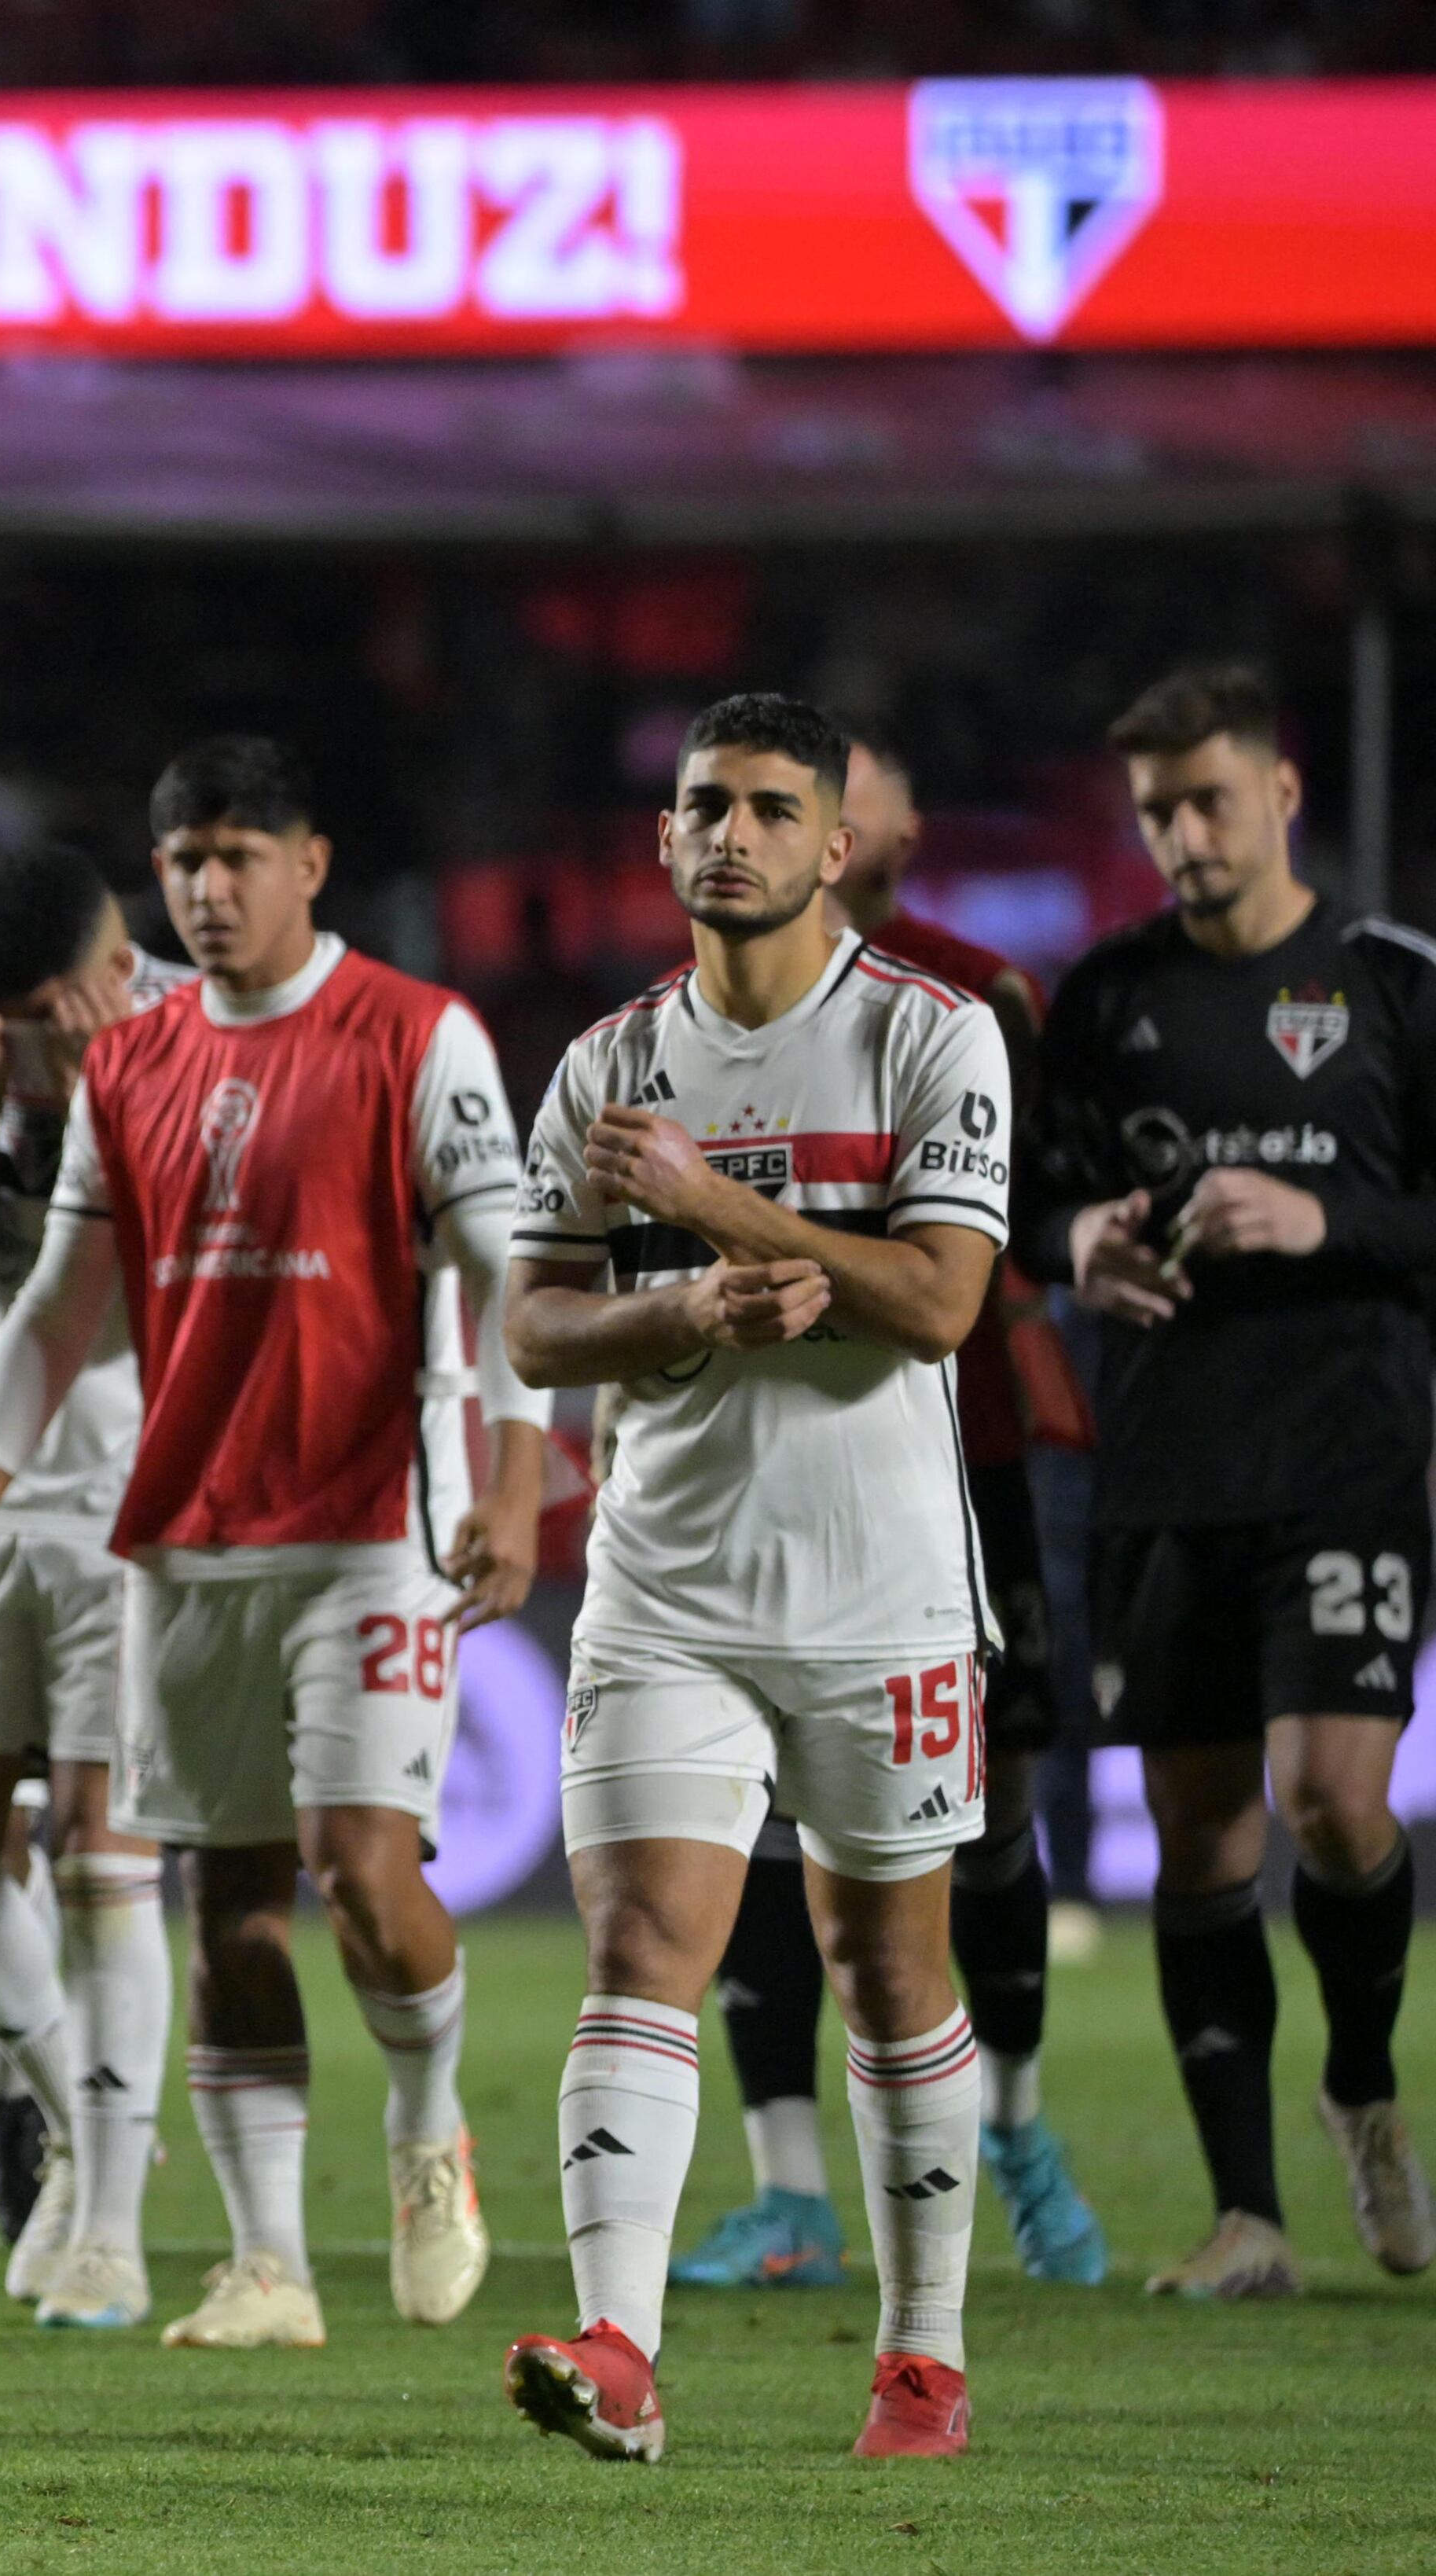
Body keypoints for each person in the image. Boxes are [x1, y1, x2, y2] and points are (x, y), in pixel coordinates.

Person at [0, 737, 545, 2356]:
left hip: (366, 1527)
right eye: (184, 859)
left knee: (358, 1865)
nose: (208, 888)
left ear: (310, 863)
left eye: (238, 856)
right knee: (226, 1907)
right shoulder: (129, 1068)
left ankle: (426, 2122)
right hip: (185, 1534)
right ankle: (266, 2262)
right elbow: (56, 1308)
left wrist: (515, 1472)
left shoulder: (416, 1035)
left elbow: (511, 1270)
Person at [499, 690, 1008, 2464]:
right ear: (662, 841)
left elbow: (943, 1301)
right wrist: (678, 1302)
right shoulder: (603, 1066)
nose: (731, 835)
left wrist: (733, 1218)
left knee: (884, 1968)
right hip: (665, 1589)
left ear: (835, 842)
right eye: (703, 806)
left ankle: (920, 2359)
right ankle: (621, 2354)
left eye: (771, 809)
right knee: (641, 1947)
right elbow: (539, 1322)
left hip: (882, 1592)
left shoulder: (931, 1038)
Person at [1021, 661, 1436, 2297]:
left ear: (1280, 794)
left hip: (1344, 1449)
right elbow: (1030, 1201)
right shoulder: (1107, 995)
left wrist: (1324, 1221)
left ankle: (1359, 2077)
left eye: (1207, 801)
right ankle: (1248, 2217)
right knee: (1195, 1841)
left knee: (1332, 1797)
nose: (1181, 837)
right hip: (1168, 1461)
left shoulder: (1392, 982)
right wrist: (1081, 1250)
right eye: (1154, 813)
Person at [674, 735, 1109, 2293]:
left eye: (816, 799)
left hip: (954, 1467)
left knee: (979, 1823)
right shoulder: (682, 1014)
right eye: (736, 803)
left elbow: (1003, 1245)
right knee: (745, 1827)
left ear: (892, 827)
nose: (787, 829)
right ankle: (787, 2186)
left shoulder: (971, 999)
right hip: (742, 1483)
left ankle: (1015, 2126)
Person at [0, 840, 193, 2328]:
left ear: (118, 973)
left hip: (140, 1499)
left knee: (99, 1856)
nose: (69, 1039)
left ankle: (113, 2225)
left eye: (72, 1016)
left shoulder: (194, 1037)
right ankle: (86, 2117)